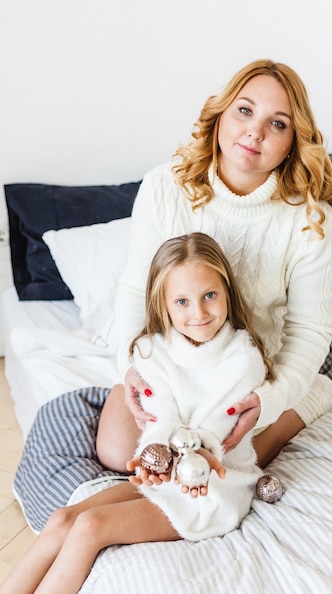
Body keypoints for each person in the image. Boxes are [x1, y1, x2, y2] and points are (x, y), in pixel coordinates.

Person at [97, 57, 332, 475]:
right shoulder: (165, 187)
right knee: (116, 450)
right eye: (245, 111)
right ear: (221, 115)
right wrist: (130, 368)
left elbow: (310, 330)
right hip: (170, 362)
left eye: (278, 124)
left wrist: (271, 398)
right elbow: (135, 292)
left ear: (292, 142)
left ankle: (303, 403)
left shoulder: (309, 217)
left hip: (246, 372)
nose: (256, 131)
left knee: (217, 460)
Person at [0, 232, 272, 594]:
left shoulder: (243, 358)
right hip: (167, 479)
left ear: (226, 292)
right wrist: (151, 458)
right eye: (182, 301)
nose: (199, 313)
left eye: (209, 296)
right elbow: (162, 419)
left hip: (212, 491)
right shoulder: (150, 352)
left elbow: (214, 429)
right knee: (63, 518)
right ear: (164, 304)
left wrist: (195, 459)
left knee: (91, 525)